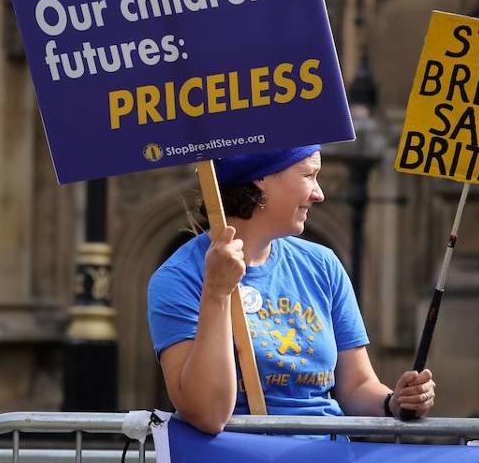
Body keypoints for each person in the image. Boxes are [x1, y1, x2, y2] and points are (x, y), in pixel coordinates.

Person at [147, 144, 436, 433]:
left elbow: (357, 385)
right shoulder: (178, 277)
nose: (319, 193)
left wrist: (393, 402)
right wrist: (215, 293)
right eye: (309, 175)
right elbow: (207, 414)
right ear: (262, 178)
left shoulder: (322, 264)